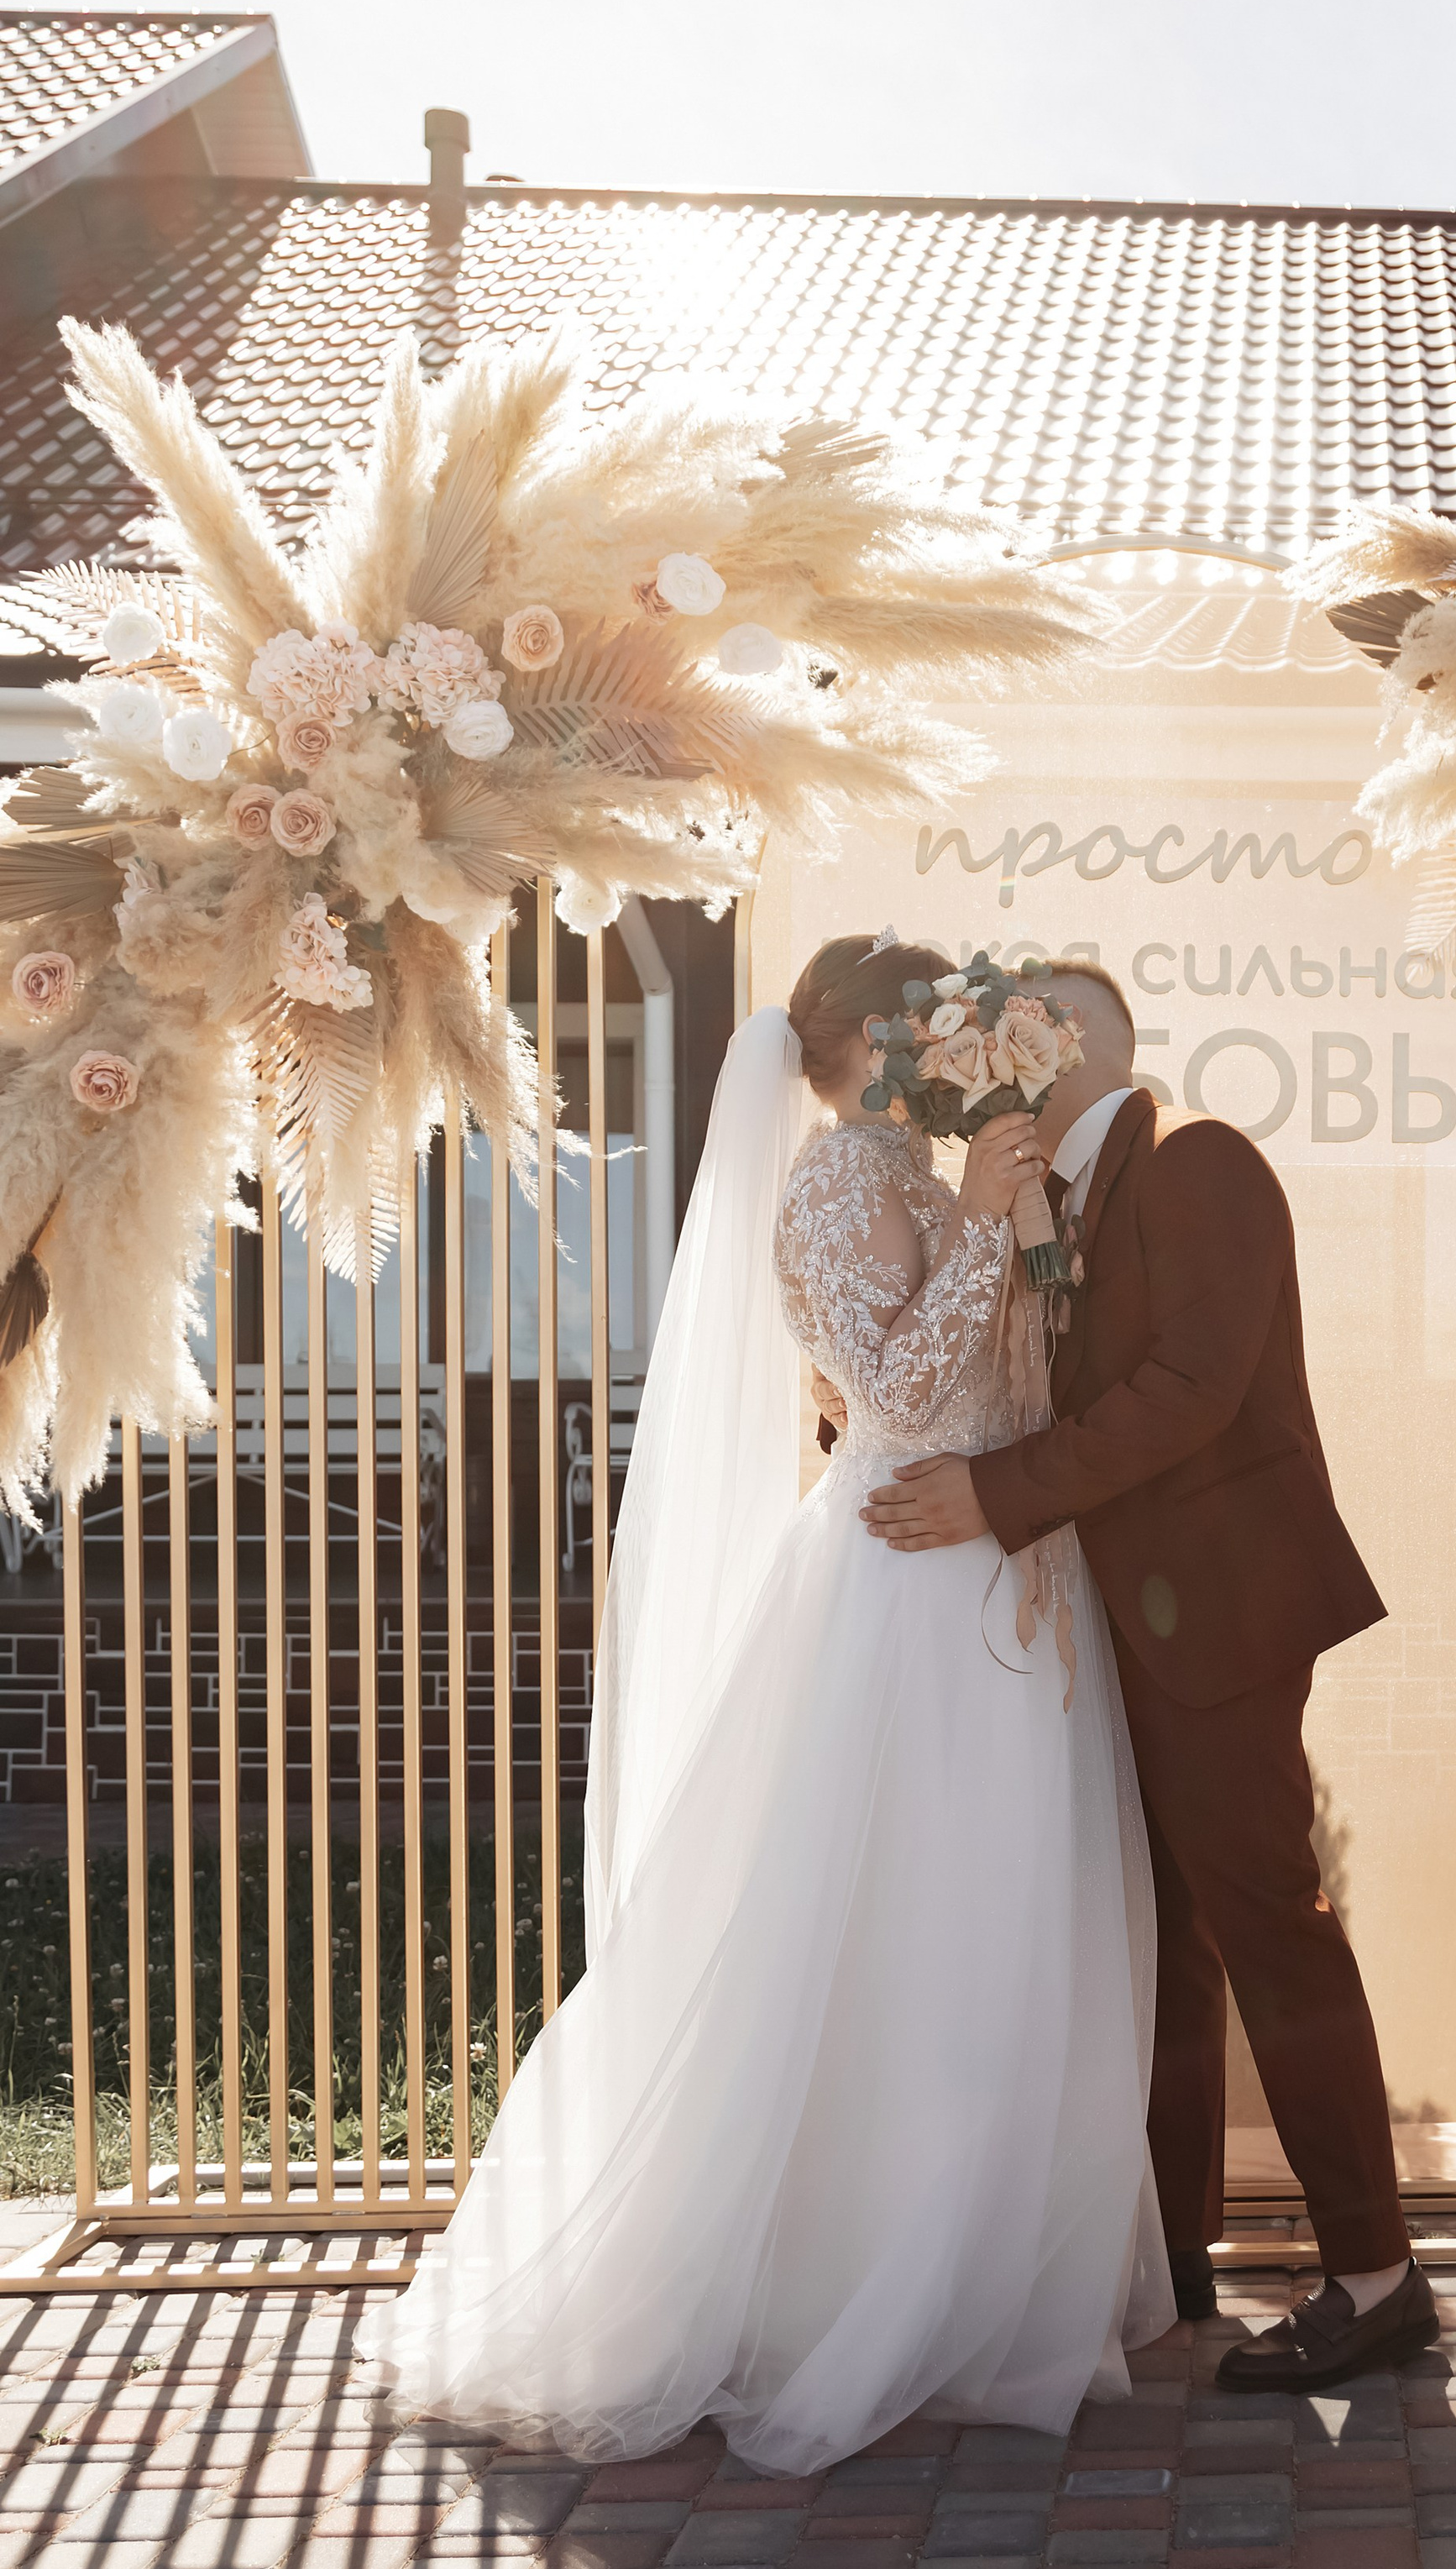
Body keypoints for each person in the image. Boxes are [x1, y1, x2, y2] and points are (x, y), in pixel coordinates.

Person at [361, 935, 1171, 2467]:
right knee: (895, 1936)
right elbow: (901, 1397)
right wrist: (997, 1231)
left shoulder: (911, 1178)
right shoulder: (834, 1181)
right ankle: (863, 2286)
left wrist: (1007, 1233)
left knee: (982, 1933)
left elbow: (972, 1380)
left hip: (986, 1576)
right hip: (903, 1592)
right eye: (943, 1028)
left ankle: (975, 2277)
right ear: (877, 1041)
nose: (963, 1055)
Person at [863, 957, 1432, 2390]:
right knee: (1164, 1947)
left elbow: (1191, 1391)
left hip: (1223, 1624)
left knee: (1270, 1929)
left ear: (1063, 1048)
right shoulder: (1068, 1200)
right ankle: (1172, 2261)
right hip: (1128, 1624)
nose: (984, 1071)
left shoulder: (1199, 1165)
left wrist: (996, 1494)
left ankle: (1375, 2275)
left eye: (1006, 1044)